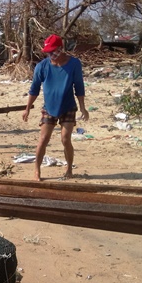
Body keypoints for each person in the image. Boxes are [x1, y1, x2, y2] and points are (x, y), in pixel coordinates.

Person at [22, 34, 89, 181]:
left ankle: (69, 168)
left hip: (68, 107)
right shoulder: (42, 66)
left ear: (61, 48)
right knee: (44, 139)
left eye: (54, 51)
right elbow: (34, 89)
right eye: (48, 52)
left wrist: (83, 107)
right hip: (49, 107)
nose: (51, 54)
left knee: (66, 139)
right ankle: (37, 171)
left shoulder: (74, 64)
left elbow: (79, 86)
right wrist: (27, 108)